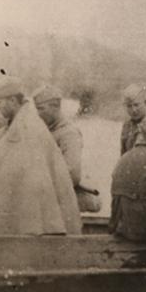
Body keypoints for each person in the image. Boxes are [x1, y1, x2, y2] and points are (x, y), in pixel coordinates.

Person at [0, 77, 82, 235]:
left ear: (13, 100)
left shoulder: (28, 126)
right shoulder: (21, 122)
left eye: (0, 102)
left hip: (36, 217)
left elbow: (31, 177)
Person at [33, 84, 101, 213]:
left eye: (41, 109)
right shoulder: (45, 131)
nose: (37, 114)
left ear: (55, 107)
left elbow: (72, 175)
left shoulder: (69, 134)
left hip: (58, 196)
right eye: (36, 109)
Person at [120, 84, 146, 155]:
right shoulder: (127, 126)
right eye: (129, 106)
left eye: (136, 105)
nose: (134, 110)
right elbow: (123, 155)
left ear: (145, 102)